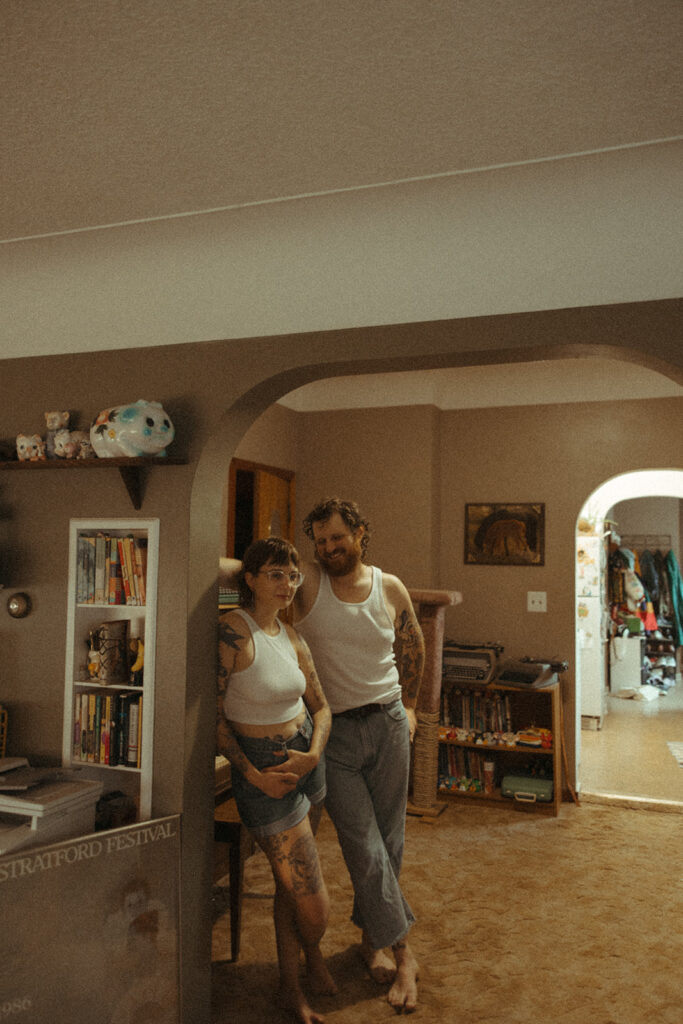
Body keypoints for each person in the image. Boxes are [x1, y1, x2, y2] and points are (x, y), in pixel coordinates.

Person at [220, 498, 425, 1013]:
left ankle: (372, 941)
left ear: (360, 533)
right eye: (321, 541)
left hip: (389, 723)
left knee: (391, 839)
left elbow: (414, 643)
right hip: (334, 736)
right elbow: (245, 570)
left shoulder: (390, 586)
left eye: (338, 537)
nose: (330, 548)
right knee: (362, 842)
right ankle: (405, 955)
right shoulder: (306, 581)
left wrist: (415, 707)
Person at [216, 536, 335, 1024]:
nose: (287, 584)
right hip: (264, 772)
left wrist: (313, 754)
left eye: (293, 575)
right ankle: (311, 951)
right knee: (315, 908)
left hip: (307, 759)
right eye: (275, 574)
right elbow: (214, 722)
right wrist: (252, 778)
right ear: (250, 580)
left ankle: (295, 979)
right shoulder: (233, 632)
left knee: (290, 888)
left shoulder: (292, 637)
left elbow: (322, 707)